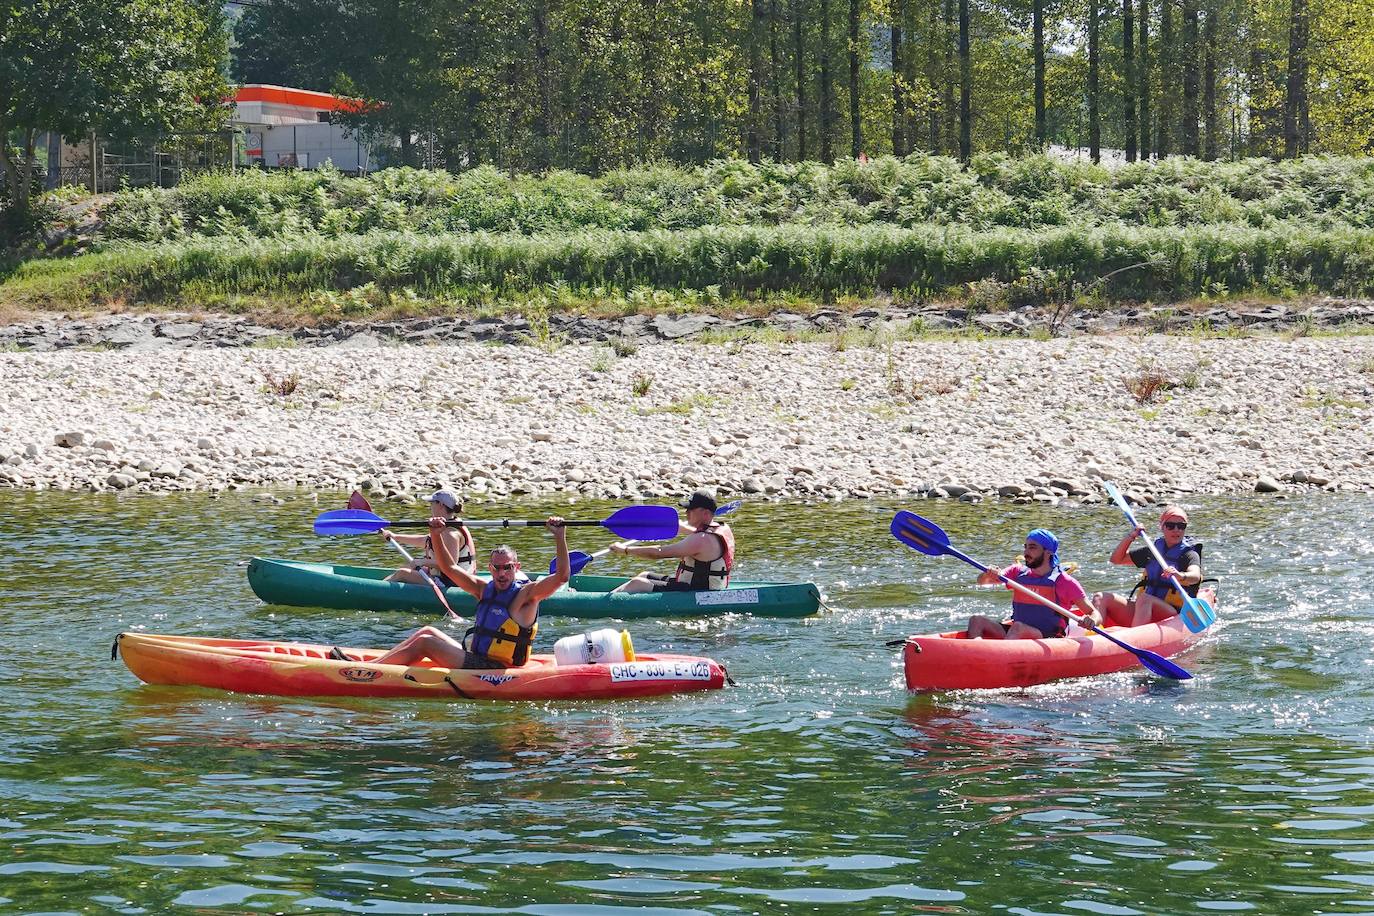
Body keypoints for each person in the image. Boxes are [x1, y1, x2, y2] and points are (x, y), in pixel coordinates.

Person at [342, 516, 569, 670]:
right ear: (490, 569)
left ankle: (369, 672)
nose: (502, 573)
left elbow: (561, 577)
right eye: (497, 568)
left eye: (507, 568)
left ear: (516, 568)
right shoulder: (483, 589)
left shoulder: (527, 596)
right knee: (427, 631)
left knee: (427, 644)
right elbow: (449, 567)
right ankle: (373, 668)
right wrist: (435, 533)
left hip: (496, 669)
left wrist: (559, 536)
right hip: (477, 659)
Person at [966, 528, 1100, 639]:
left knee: (1018, 628)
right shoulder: (1017, 572)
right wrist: (988, 573)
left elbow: (1094, 613)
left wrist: (1091, 620)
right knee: (976, 620)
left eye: (1032, 547)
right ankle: (974, 653)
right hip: (1016, 632)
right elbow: (982, 581)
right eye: (1025, 547)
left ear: (1048, 553)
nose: (1026, 553)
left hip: (1048, 638)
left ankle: (998, 660)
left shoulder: (1064, 581)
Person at [1093, 505, 1203, 628]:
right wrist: (1131, 536)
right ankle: (1095, 634)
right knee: (1101, 597)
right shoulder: (1153, 551)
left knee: (1145, 599)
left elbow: (1195, 576)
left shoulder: (1189, 554)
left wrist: (1180, 575)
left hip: (1172, 613)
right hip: (1144, 609)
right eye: (1171, 525)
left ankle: (1134, 638)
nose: (1176, 530)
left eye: (1181, 526)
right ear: (1162, 527)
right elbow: (1116, 559)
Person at [609, 489, 735, 594]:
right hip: (693, 585)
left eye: (691, 510)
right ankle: (609, 597)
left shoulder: (701, 540)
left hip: (700, 593)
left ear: (706, 514)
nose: (686, 513)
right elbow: (704, 539)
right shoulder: (721, 528)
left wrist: (625, 550)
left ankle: (603, 603)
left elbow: (659, 553)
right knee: (644, 575)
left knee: (638, 583)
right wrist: (682, 528)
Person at [380, 491, 475, 586]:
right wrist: (395, 537)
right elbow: (426, 541)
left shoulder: (451, 533)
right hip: (445, 577)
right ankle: (380, 586)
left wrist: (423, 562)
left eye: (432, 503)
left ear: (441, 505)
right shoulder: (447, 525)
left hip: (454, 583)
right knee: (408, 567)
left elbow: (450, 565)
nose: (430, 507)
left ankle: (376, 591)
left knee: (402, 573)